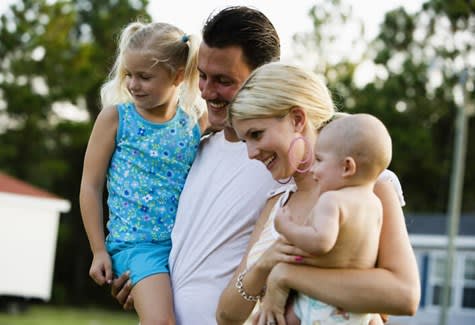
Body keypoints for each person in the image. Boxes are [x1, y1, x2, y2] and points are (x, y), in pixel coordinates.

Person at [110, 6, 420, 325]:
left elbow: (388, 302)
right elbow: (167, 235)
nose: (205, 91)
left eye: (223, 80)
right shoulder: (195, 148)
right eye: (202, 76)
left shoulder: (349, 180)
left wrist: (285, 277)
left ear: (262, 76)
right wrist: (143, 275)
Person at [217, 62, 420, 325]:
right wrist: (265, 265)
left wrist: (285, 276)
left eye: (257, 134)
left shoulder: (367, 186)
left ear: (297, 119)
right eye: (246, 141)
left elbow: (404, 295)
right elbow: (226, 317)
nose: (251, 153)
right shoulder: (278, 205)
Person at [79, 20, 205, 325]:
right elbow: (90, 186)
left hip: (184, 245)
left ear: (177, 76)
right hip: (136, 245)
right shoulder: (114, 119)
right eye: (129, 75)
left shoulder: (194, 124)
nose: (133, 85)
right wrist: (98, 250)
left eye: (144, 77)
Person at [272, 113, 393, 324]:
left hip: (323, 304)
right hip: (359, 306)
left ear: (347, 167)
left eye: (319, 160)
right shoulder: (375, 204)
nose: (313, 168)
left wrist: (286, 227)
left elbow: (320, 242)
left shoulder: (333, 200)